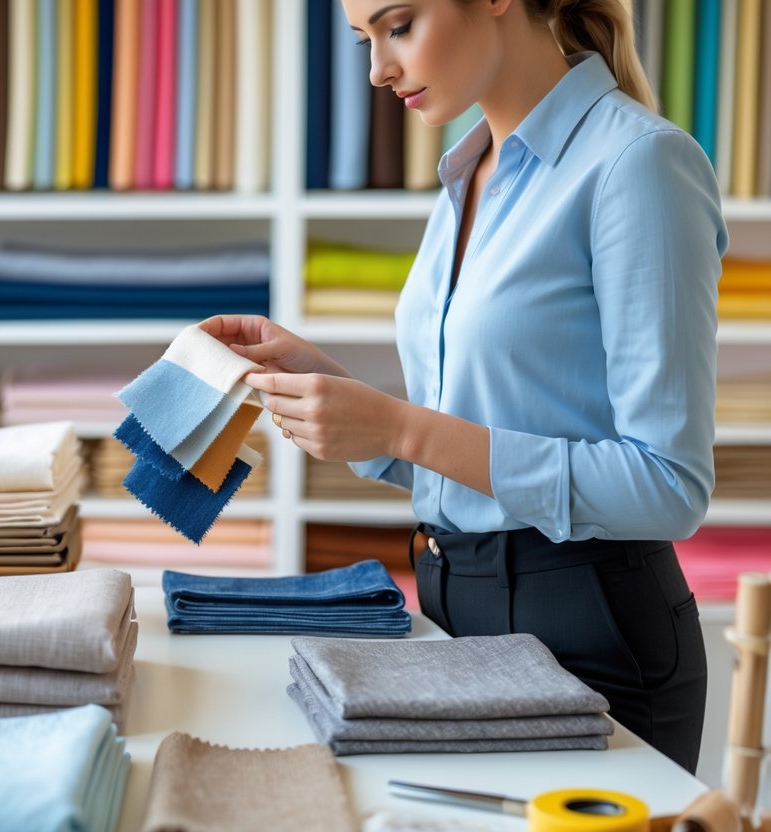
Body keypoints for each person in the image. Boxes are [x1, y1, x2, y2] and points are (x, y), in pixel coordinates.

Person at [202, 0, 726, 773]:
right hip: (452, 605)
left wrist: (399, 431)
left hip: (593, 636)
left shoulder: (637, 164)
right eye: (364, 41)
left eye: (398, 26)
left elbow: (668, 486)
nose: (378, 69)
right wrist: (335, 393)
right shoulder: (466, 171)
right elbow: (477, 439)